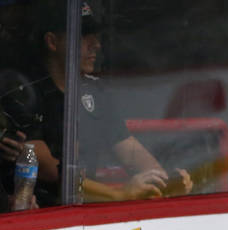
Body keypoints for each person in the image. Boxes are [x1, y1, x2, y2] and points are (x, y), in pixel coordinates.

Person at [26, 1, 192, 205]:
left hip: (86, 212)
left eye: (96, 36)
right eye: (84, 35)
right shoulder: (26, 91)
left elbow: (130, 151)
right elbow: (49, 170)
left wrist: (165, 181)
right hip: (39, 217)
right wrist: (119, 194)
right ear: (52, 42)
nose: (96, 44)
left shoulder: (95, 91)